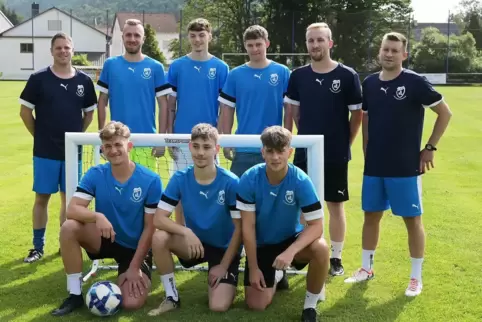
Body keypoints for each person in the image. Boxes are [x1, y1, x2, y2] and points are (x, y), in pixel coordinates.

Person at [344, 32, 452, 297]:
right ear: (379, 52)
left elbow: (445, 113)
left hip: (405, 166)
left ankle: (416, 278)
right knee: (371, 216)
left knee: (412, 220)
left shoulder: (414, 82)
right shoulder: (368, 83)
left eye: (394, 50)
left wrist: (429, 148)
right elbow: (366, 119)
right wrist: (366, 150)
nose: (389, 54)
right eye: (385, 49)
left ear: (404, 54)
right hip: (375, 165)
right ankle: (367, 268)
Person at [51, 121, 163, 316]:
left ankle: (125, 276)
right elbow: (72, 209)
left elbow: (150, 228)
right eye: (108, 146)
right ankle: (75, 295)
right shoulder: (96, 174)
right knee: (69, 227)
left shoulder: (150, 180)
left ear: (129, 146)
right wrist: (97, 216)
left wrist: (135, 267)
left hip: (134, 247)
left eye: (118, 145)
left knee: (132, 303)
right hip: (105, 237)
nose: (113, 150)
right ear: (102, 149)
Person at [284, 22, 363, 276]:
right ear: (306, 44)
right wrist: (300, 139)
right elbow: (293, 113)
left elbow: (357, 116)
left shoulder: (347, 75)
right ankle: (303, 252)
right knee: (302, 205)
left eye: (320, 40)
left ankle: (336, 257)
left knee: (335, 204)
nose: (315, 45)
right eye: (311, 41)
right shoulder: (298, 76)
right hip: (305, 151)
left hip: (335, 152)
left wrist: (345, 143)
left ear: (330, 43)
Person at [237, 126, 329, 322]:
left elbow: (317, 226)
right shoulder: (249, 179)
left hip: (290, 241)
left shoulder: (301, 181)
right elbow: (248, 228)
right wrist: (253, 268)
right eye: (270, 151)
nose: (275, 157)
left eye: (280, 151)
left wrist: (290, 251)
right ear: (263, 152)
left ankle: (310, 306)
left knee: (320, 247)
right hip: (262, 244)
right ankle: (278, 276)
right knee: (257, 305)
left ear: (290, 151)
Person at [19, 32, 97, 263]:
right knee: (42, 198)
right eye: (59, 48)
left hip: (73, 152)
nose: (63, 51)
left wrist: (75, 139)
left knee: (69, 200)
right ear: (52, 51)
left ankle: (66, 243)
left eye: (67, 48)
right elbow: (25, 113)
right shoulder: (38, 79)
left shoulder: (84, 81)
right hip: (45, 151)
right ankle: (37, 247)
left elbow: (89, 113)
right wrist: (40, 135)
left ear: (73, 50)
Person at [147, 123, 241, 315]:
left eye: (206, 147)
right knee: (159, 237)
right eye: (196, 146)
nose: (200, 153)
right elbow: (158, 219)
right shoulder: (180, 178)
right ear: (190, 147)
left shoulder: (231, 182)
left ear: (216, 149)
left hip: (223, 250)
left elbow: (240, 229)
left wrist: (223, 265)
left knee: (218, 306)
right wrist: (185, 231)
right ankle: (171, 297)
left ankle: (225, 273)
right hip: (193, 244)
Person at [165, 17, 229, 227]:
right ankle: (181, 232)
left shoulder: (220, 67)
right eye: (193, 36)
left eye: (202, 35)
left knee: (211, 188)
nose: (197, 40)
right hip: (183, 139)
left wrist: (218, 138)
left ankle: (209, 231)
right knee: (182, 190)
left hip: (209, 140)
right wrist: (169, 138)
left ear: (209, 36)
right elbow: (170, 105)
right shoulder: (177, 66)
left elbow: (224, 109)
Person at [218, 25, 292, 177]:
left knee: (273, 194)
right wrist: (227, 140)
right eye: (250, 45)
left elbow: (289, 109)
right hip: (243, 147)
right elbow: (227, 110)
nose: (254, 49)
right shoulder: (235, 74)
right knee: (238, 195)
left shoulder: (282, 72)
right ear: (245, 46)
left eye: (258, 44)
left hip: (273, 147)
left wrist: (288, 138)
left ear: (267, 43)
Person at [96, 18, 171, 168]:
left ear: (143, 39)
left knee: (146, 188)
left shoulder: (155, 67)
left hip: (146, 140)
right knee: (118, 188)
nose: (132, 39)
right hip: (116, 140)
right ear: (122, 37)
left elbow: (164, 104)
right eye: (128, 35)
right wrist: (102, 136)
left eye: (136, 35)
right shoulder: (110, 64)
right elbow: (102, 101)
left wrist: (161, 139)